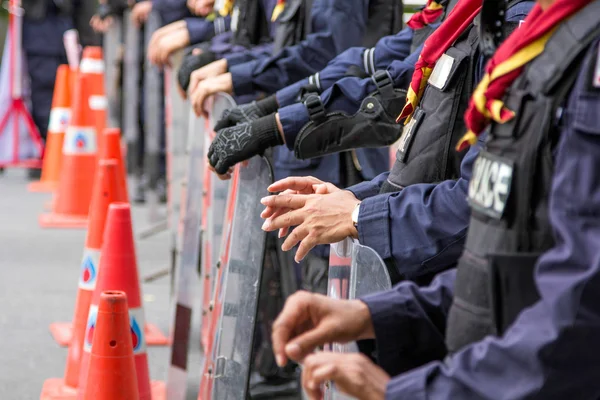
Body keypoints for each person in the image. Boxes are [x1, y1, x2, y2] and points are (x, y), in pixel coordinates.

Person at [270, 0, 600, 398]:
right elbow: (507, 256)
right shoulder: (554, 32)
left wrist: (408, 393)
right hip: (476, 357)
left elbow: (579, 308)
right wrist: (375, 315)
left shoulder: (555, 36)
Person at [187, 0, 403, 118]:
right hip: (304, 126)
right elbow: (282, 44)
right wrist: (225, 63)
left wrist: (235, 77)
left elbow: (324, 53)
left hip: (330, 140)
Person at [21, 0, 98, 179]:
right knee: (44, 96)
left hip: (63, 29)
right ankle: (51, 152)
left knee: (63, 94)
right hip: (42, 30)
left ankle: (59, 152)